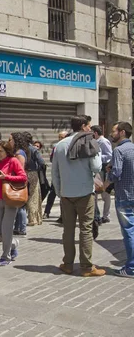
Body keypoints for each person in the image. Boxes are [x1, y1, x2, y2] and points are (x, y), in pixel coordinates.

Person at [52, 116, 104, 277]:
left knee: (67, 230)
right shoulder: (88, 142)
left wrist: (60, 191)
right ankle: (87, 267)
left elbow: (55, 172)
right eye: (89, 126)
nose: (90, 129)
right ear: (83, 126)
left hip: (66, 194)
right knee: (86, 230)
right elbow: (96, 167)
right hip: (85, 193)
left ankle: (67, 264)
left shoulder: (59, 145)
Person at [0, 140, 28, 266]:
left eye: (1, 151)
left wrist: (6, 177)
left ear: (7, 151)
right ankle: (13, 244)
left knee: (6, 229)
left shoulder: (13, 161)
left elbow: (23, 177)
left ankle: (5, 257)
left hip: (11, 198)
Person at [106, 122, 134, 277]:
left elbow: (116, 173)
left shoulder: (119, 150)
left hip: (124, 196)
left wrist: (106, 181)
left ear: (122, 132)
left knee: (129, 231)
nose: (111, 134)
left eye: (113, 131)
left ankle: (131, 268)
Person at [44, 131, 68, 220]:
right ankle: (46, 212)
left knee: (64, 196)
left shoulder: (68, 147)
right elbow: (51, 159)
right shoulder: (56, 147)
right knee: (52, 194)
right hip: (57, 174)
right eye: (59, 137)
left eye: (62, 137)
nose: (60, 139)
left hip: (65, 175)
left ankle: (63, 215)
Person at [91, 125, 113, 224]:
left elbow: (109, 156)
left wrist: (97, 156)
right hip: (97, 169)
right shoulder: (95, 142)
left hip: (103, 169)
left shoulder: (104, 142)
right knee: (95, 192)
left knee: (105, 194)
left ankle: (106, 215)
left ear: (95, 133)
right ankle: (97, 215)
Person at [9, 132, 29, 235]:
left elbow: (19, 169)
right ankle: (18, 227)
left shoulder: (20, 153)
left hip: (19, 182)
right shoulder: (16, 152)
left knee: (20, 205)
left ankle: (22, 228)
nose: (9, 142)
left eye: (10, 139)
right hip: (15, 180)